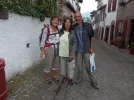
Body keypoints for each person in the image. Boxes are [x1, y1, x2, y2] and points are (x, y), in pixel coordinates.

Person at [73, 12, 99, 89]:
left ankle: (94, 82)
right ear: (74, 18)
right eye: (76, 17)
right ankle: (80, 78)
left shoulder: (87, 25)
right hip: (78, 51)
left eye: (78, 16)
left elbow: (92, 37)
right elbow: (65, 28)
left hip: (87, 50)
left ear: (81, 17)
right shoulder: (74, 27)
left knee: (88, 67)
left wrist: (91, 48)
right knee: (79, 67)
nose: (77, 18)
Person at [40, 16, 60, 83]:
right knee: (48, 63)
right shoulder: (47, 29)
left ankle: (54, 76)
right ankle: (47, 77)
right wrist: (42, 51)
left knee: (56, 63)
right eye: (54, 20)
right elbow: (43, 40)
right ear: (51, 21)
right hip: (49, 48)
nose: (55, 21)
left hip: (57, 48)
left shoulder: (58, 29)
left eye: (57, 20)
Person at [59, 17, 77, 85]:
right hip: (61, 53)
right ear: (64, 23)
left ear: (71, 24)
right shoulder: (60, 31)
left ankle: (70, 79)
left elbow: (75, 42)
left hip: (70, 54)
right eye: (66, 22)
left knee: (70, 68)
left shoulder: (72, 32)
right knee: (62, 67)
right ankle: (64, 77)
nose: (67, 24)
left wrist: (72, 53)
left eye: (69, 22)